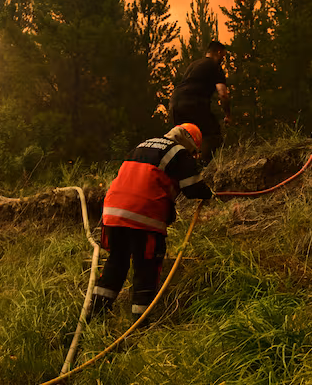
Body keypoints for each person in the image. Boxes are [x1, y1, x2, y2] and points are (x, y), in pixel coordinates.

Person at [90, 123, 213, 321]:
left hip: (112, 215)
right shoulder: (179, 153)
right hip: (143, 217)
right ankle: (140, 325)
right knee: (146, 270)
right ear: (190, 143)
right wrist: (210, 194)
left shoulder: (141, 146)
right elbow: (194, 189)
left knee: (115, 264)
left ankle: (95, 316)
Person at [169, 41, 230, 163]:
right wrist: (228, 114)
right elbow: (223, 94)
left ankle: (179, 170)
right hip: (193, 104)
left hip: (175, 103)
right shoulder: (214, 66)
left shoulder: (194, 64)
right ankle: (204, 168)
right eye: (223, 56)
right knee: (212, 136)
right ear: (218, 52)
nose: (223, 59)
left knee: (182, 138)